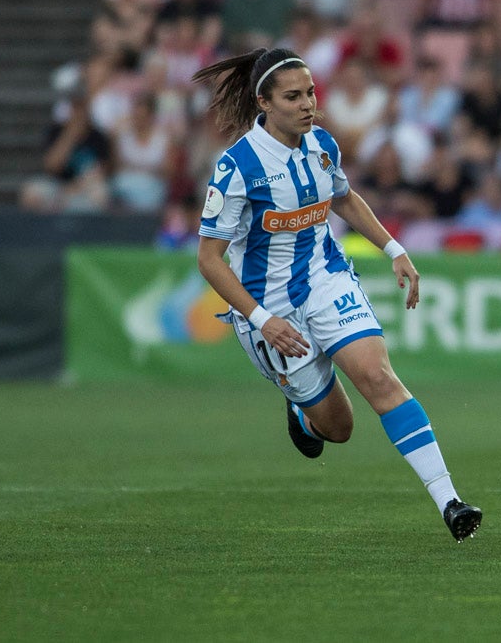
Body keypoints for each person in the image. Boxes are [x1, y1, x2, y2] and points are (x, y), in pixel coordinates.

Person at [191, 47, 482, 542]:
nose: (308, 105)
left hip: (327, 279)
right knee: (338, 429)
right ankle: (303, 414)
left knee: (380, 378)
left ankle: (449, 501)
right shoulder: (237, 166)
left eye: (310, 93)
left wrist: (394, 249)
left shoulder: (322, 143)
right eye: (293, 96)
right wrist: (263, 319)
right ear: (264, 102)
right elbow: (209, 260)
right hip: (270, 307)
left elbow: (343, 196)